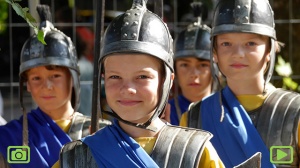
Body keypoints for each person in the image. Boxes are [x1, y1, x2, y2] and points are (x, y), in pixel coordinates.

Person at [60, 0, 224, 167]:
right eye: (115, 77)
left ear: (166, 81)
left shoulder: (196, 153)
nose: (128, 89)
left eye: (142, 77)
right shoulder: (76, 156)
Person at [182, 0, 299, 167]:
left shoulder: (295, 112)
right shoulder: (194, 117)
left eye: (250, 43)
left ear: (269, 50)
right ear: (214, 52)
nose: (238, 54)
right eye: (226, 44)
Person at [0, 5, 110, 168]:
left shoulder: (102, 133)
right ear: (27, 85)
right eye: (36, 78)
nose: (47, 86)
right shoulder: (9, 137)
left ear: (72, 79)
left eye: (55, 76)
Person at [168, 2, 215, 125]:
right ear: (174, 69)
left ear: (215, 68)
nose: (194, 74)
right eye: (185, 65)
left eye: (203, 65)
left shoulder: (227, 111)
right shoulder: (164, 113)